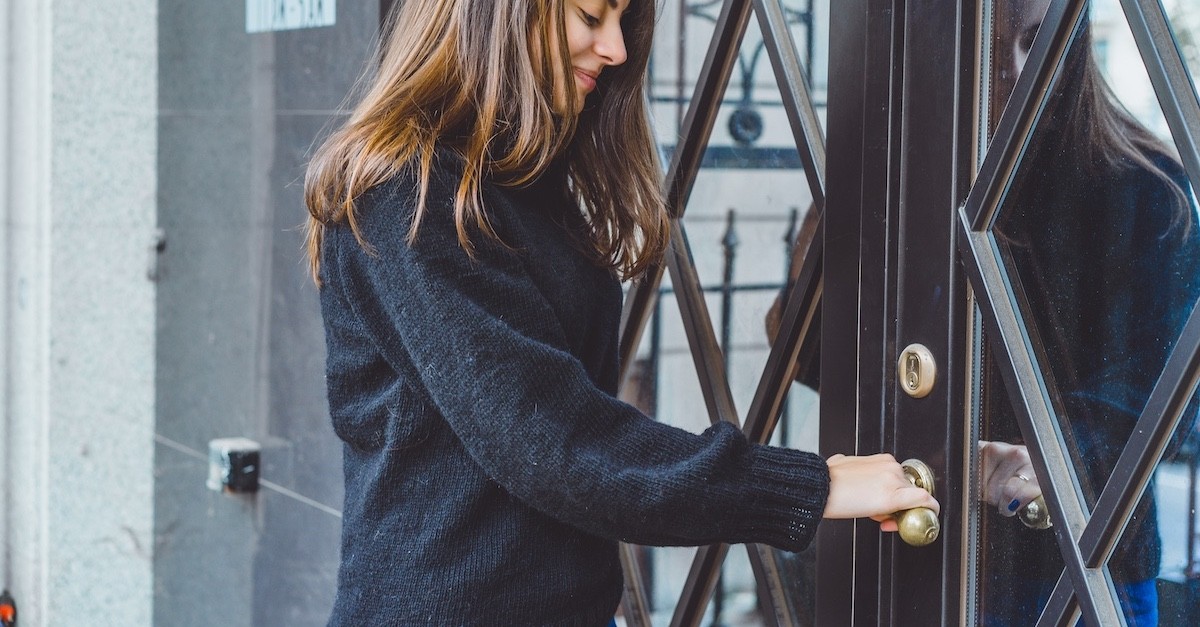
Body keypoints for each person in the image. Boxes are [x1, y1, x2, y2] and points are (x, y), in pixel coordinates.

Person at [302, 0, 940, 624]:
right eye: (590, 16)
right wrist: (809, 486)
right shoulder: (406, 196)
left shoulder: (520, 184)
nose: (617, 49)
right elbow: (554, 440)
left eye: (621, 21)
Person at [979, 1, 1200, 625]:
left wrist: (1029, 465)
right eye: (990, 47)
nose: (1008, 72)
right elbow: (810, 350)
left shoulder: (1146, 187)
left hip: (1085, 553)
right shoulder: (913, 176)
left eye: (1032, 42)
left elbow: (1158, 395)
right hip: (921, 536)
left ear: (1069, 45)